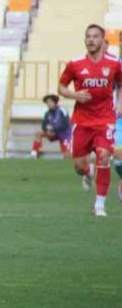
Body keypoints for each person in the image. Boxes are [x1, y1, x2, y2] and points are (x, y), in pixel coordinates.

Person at [57, 23, 122, 217]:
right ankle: (88, 171)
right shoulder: (75, 63)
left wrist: (119, 104)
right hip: (82, 121)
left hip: (105, 120)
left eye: (95, 36)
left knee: (104, 155)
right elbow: (61, 87)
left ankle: (99, 205)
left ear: (103, 41)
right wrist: (74, 95)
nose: (91, 40)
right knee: (79, 166)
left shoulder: (114, 63)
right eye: (88, 36)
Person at [31, 94, 71, 159]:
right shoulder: (47, 113)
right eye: (47, 102)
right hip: (53, 133)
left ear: (55, 102)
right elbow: (43, 125)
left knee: (67, 156)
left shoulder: (62, 110)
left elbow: (66, 124)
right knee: (38, 133)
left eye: (50, 102)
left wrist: (54, 130)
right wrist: (48, 130)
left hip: (65, 134)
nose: (48, 104)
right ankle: (34, 154)